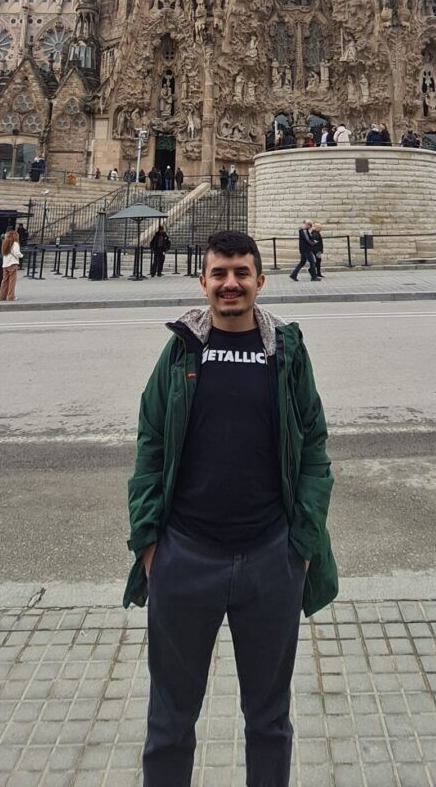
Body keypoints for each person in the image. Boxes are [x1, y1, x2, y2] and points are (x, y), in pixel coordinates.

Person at [125, 229, 337, 786]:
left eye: (241, 273)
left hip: (271, 558)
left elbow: (314, 447)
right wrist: (149, 545)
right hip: (183, 557)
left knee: (269, 719)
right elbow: (150, 445)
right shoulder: (179, 352)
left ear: (260, 281)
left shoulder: (287, 353)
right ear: (204, 282)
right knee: (169, 721)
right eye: (219, 273)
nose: (230, 284)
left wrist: (303, 548)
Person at [0, 228, 22, 301]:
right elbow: (17, 253)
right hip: (12, 263)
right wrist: (21, 255)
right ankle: (11, 296)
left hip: (5, 264)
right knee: (12, 281)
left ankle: (2, 296)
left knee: (4, 281)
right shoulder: (15, 244)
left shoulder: (5, 243)